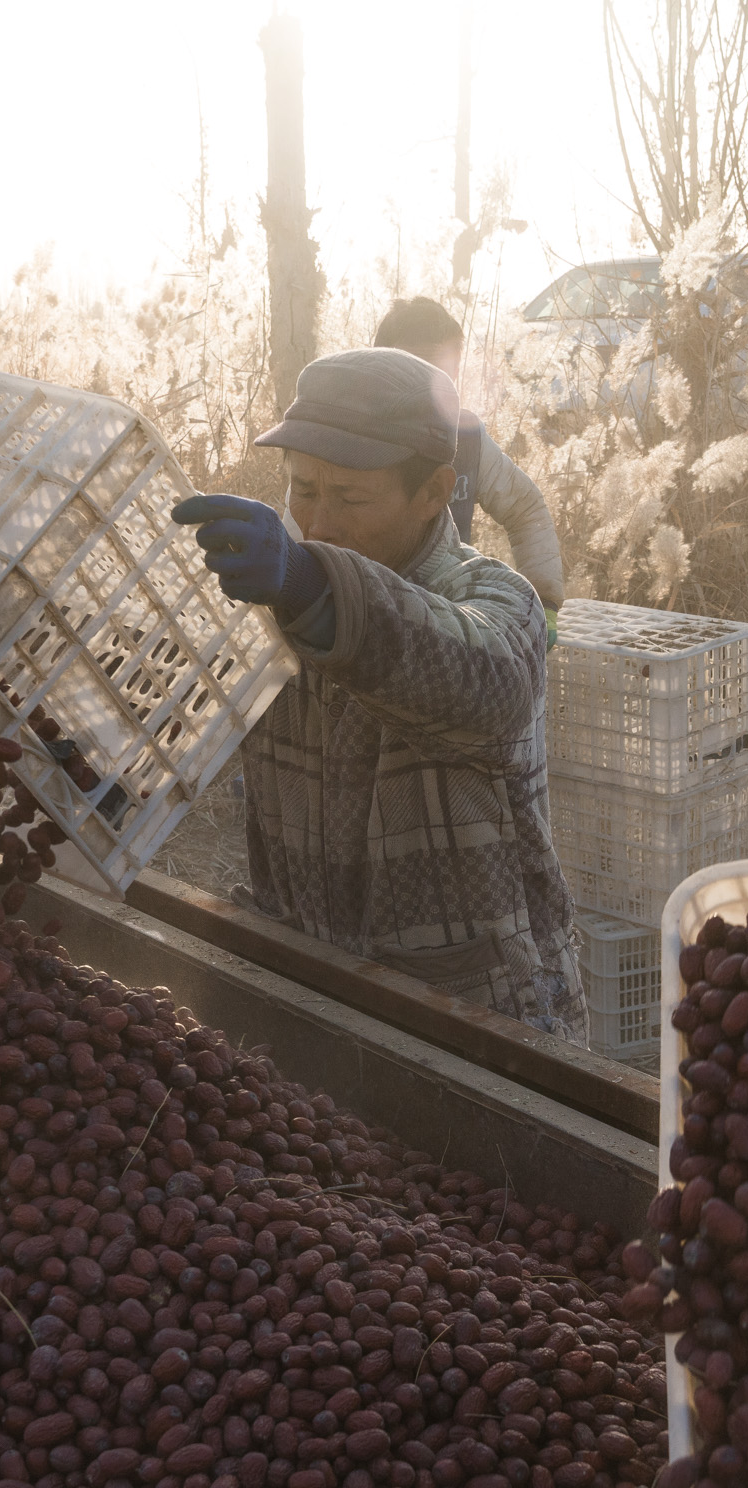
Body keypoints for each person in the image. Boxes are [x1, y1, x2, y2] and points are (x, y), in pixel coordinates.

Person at [169, 348, 588, 1042]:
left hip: (483, 1017)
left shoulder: (495, 600)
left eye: (352, 497)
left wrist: (315, 589)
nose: (321, 521)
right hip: (318, 990)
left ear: (435, 492)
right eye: (303, 489)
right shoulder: (268, 598)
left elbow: (485, 680)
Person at [372, 296, 569, 612]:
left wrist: (544, 604)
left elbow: (525, 508)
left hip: (450, 621)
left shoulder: (467, 439)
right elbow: (305, 529)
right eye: (412, 370)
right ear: (376, 371)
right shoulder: (347, 438)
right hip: (369, 617)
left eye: (441, 374)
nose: (427, 389)